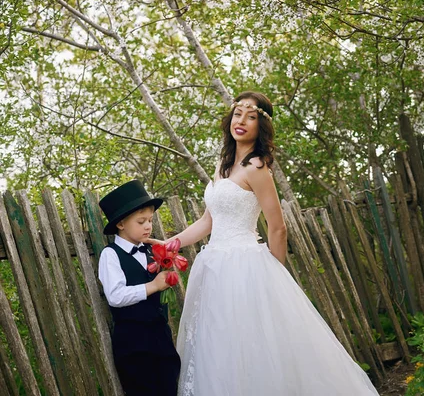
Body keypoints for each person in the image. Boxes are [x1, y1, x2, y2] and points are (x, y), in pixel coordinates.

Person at [153, 91, 379, 395]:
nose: (242, 120)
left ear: (262, 126)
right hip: (214, 267)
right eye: (238, 113)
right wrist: (170, 244)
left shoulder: (257, 167)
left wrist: (275, 275)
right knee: (221, 345)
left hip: (247, 267)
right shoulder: (222, 164)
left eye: (252, 115)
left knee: (254, 344)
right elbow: (208, 222)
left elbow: (278, 227)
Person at [98, 180, 181, 396]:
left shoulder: (151, 251)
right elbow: (115, 296)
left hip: (160, 335)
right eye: (141, 221)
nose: (148, 226)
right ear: (121, 224)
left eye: (150, 220)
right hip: (133, 341)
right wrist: (153, 286)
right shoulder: (111, 255)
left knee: (169, 384)